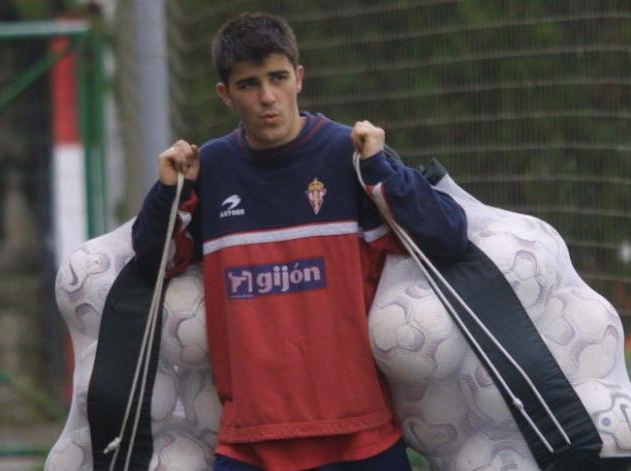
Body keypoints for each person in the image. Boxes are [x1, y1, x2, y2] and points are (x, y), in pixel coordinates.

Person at [132, 12, 468, 471]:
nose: (268, 97)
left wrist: (382, 170)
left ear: (299, 78)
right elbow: (150, 263)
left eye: (278, 78)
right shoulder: (208, 171)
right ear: (226, 94)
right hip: (250, 444)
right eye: (249, 84)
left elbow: (448, 235)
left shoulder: (349, 155)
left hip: (361, 439)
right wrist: (169, 194)